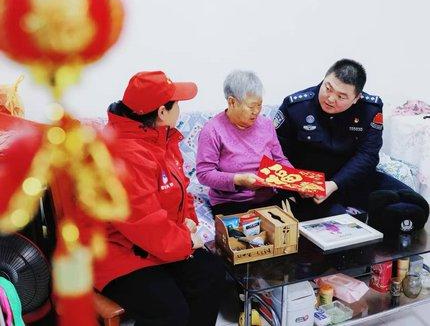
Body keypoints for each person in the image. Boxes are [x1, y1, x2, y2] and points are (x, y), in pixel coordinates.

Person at [94, 71, 224, 326]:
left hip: (157, 244)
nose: (180, 109)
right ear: (162, 112)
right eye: (177, 104)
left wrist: (189, 222)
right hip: (119, 252)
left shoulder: (161, 138)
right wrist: (186, 241)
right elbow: (143, 222)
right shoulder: (123, 154)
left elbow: (182, 190)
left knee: (211, 273)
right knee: (169, 311)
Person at [275, 58, 429, 221]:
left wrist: (334, 184)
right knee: (341, 223)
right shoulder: (296, 106)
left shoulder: (370, 109)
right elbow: (276, 153)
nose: (330, 99)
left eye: (341, 96)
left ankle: (380, 221)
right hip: (310, 187)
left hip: (351, 179)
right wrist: (299, 184)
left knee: (414, 205)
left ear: (356, 98)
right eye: (328, 88)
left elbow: (368, 155)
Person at [196, 70, 292, 216]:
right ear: (232, 102)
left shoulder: (266, 125)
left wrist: (297, 181)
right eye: (251, 107)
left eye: (259, 105)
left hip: (268, 197)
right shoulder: (212, 130)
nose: (256, 111)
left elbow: (280, 160)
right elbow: (204, 173)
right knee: (252, 229)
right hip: (231, 202)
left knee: (300, 219)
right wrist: (239, 180)